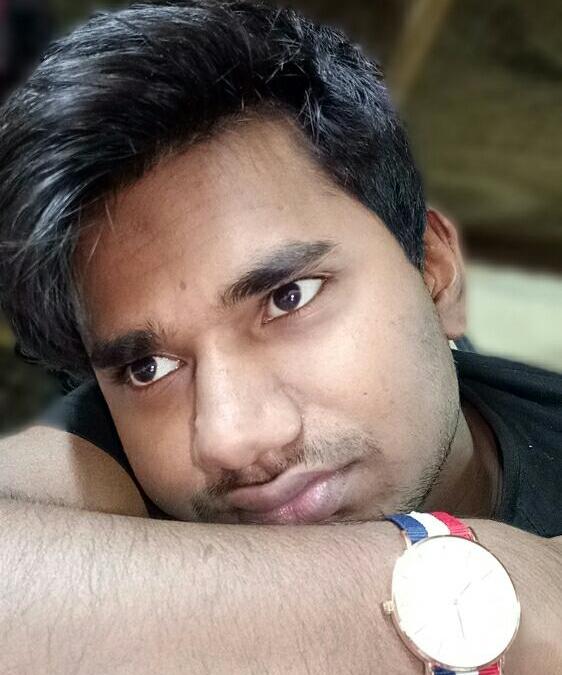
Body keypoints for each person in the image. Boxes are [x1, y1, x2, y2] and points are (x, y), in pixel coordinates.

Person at [0, 2, 560, 673]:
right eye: (148, 366)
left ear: (434, 273)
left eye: (288, 298)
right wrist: (496, 588)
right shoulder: (107, 455)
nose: (229, 438)